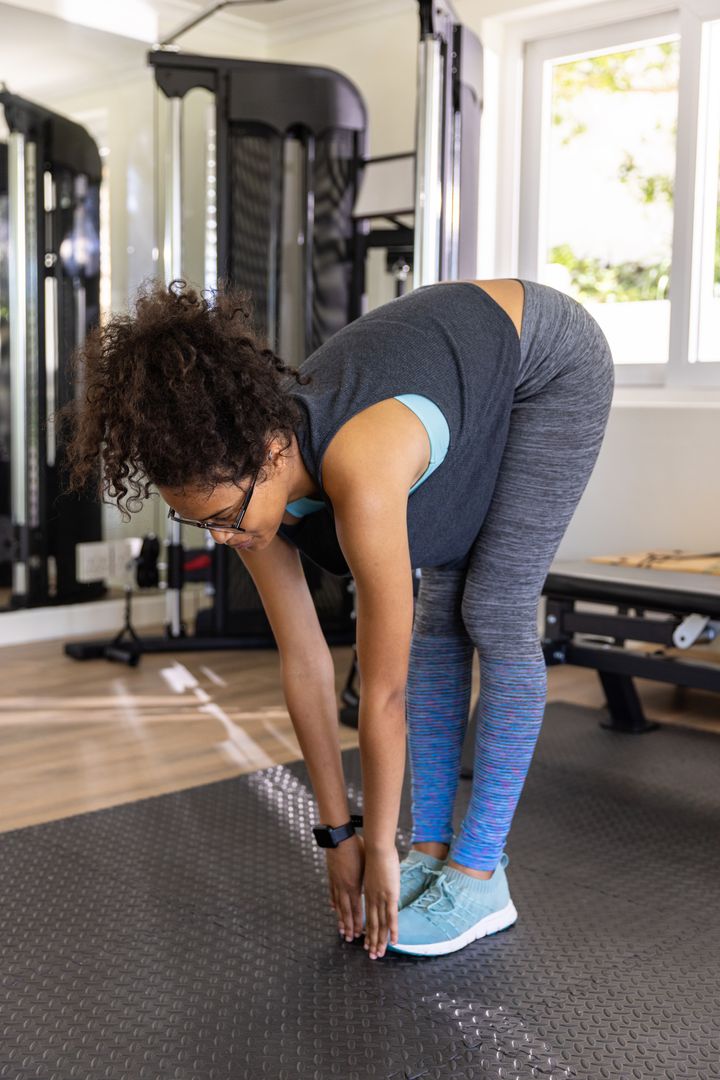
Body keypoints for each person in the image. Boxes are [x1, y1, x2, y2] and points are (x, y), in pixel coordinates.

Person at [60, 276, 614, 962]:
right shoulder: (246, 497)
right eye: (197, 522)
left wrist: (377, 842)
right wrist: (338, 834)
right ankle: (433, 853)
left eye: (225, 518)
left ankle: (479, 876)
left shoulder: (359, 467)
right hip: (449, 369)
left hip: (548, 359)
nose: (221, 539)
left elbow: (382, 692)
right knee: (439, 607)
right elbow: (305, 659)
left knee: (493, 608)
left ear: (271, 454)